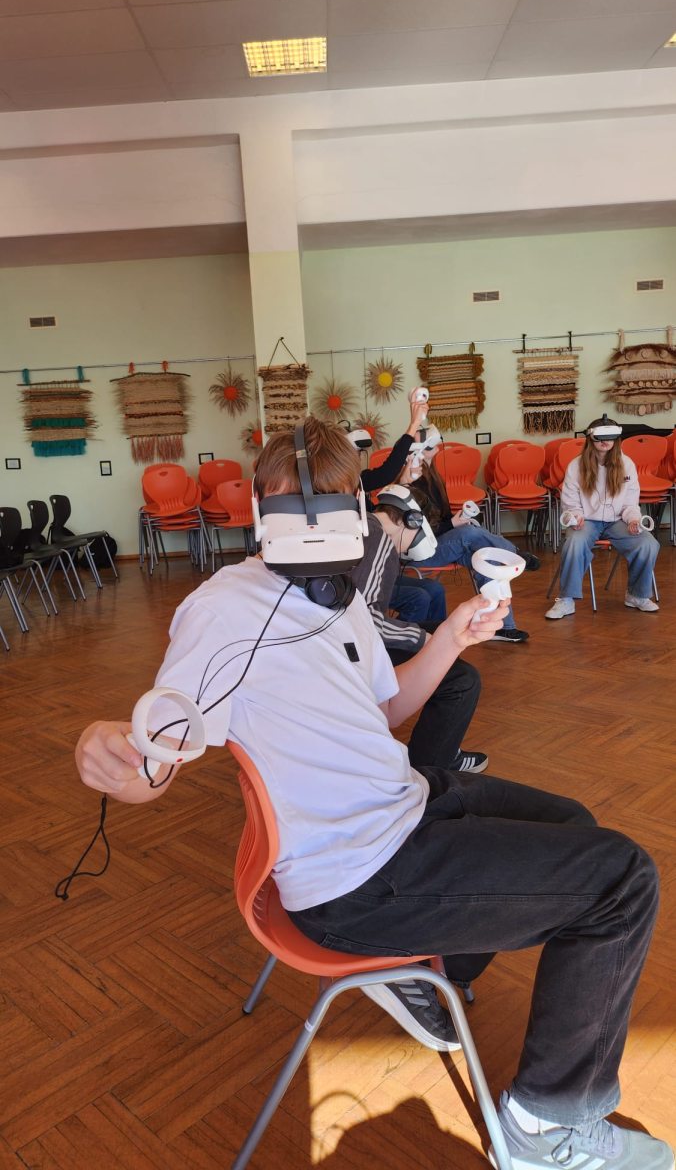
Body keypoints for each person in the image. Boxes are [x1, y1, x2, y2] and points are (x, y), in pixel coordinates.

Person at [75, 418, 671, 1170]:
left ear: (355, 506)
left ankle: (436, 973)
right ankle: (548, 1129)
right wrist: (103, 747)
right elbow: (152, 766)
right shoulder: (222, 610)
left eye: (330, 504)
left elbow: (384, 711)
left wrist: (453, 637)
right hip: (356, 877)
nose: (315, 522)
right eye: (295, 506)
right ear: (260, 508)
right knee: (622, 880)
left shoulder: (338, 590)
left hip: (401, 801)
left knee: (574, 824)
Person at [351, 492, 486, 775]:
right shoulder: (379, 541)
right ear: (411, 521)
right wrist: (424, 639)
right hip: (354, 650)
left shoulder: (358, 525)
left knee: (437, 630)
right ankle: (431, 772)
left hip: (337, 644)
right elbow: (366, 624)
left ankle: (445, 744)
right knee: (462, 680)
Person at [398, 446, 535, 644]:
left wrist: (457, 520)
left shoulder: (434, 477)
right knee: (469, 533)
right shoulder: (406, 483)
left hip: (437, 544)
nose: (432, 444)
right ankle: (515, 554)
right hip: (417, 551)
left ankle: (503, 627)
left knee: (485, 558)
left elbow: (440, 521)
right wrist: (452, 525)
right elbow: (414, 532)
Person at [546, 415, 660, 620]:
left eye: (610, 438)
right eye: (600, 438)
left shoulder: (627, 464)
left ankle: (636, 595)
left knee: (648, 544)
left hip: (618, 521)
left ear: (616, 439)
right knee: (574, 542)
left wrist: (634, 520)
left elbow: (630, 503)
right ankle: (566, 600)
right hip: (587, 521)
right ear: (591, 438)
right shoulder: (576, 466)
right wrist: (576, 517)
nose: (605, 442)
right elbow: (571, 502)